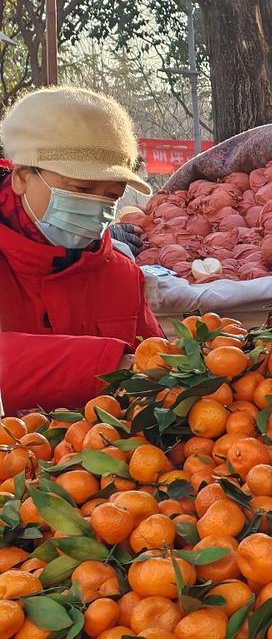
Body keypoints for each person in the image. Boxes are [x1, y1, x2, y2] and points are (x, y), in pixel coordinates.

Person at [0, 86, 160, 415]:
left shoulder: (122, 276)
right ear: (22, 177)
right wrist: (110, 364)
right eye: (81, 189)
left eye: (111, 196)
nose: (96, 207)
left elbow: (156, 366)